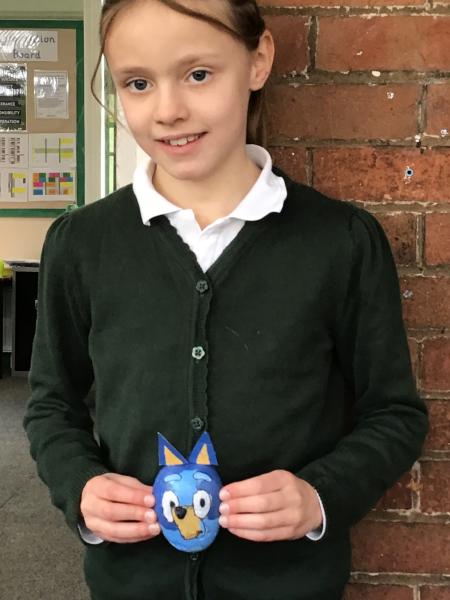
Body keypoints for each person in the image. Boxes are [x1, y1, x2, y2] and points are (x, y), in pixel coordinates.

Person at [23, 1, 428, 599]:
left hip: (289, 586)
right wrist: (80, 485)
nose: (167, 110)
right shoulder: (80, 245)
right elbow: (52, 404)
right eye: (137, 83)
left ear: (258, 60)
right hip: (131, 585)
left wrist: (318, 496)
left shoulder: (340, 242)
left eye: (198, 74)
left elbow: (394, 414)